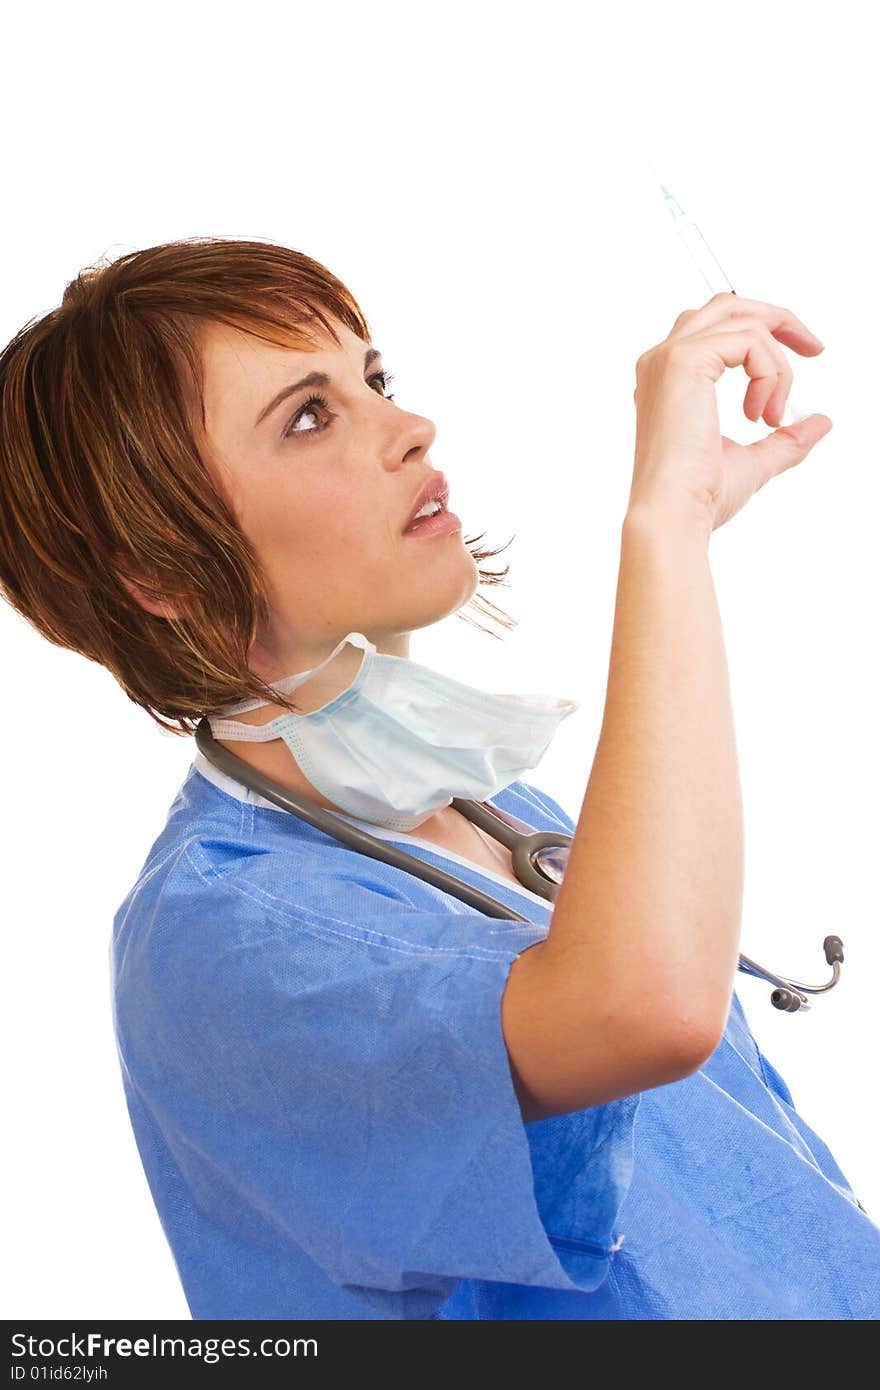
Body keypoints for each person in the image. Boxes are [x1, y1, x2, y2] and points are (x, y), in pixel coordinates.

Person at [0, 236, 877, 1321]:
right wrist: (669, 524)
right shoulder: (218, 940)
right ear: (161, 570)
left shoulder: (513, 826)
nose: (408, 428)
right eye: (309, 415)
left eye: (375, 379)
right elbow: (642, 1006)